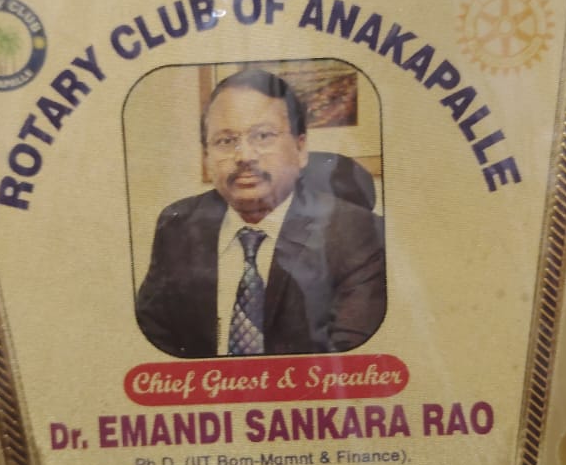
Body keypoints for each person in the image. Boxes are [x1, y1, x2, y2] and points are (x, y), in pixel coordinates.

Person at [135, 68, 386, 359]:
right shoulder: (177, 225)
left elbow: (349, 363)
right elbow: (151, 342)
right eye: (225, 141)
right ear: (207, 156)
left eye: (263, 136)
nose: (244, 156)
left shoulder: (358, 233)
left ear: (300, 149)